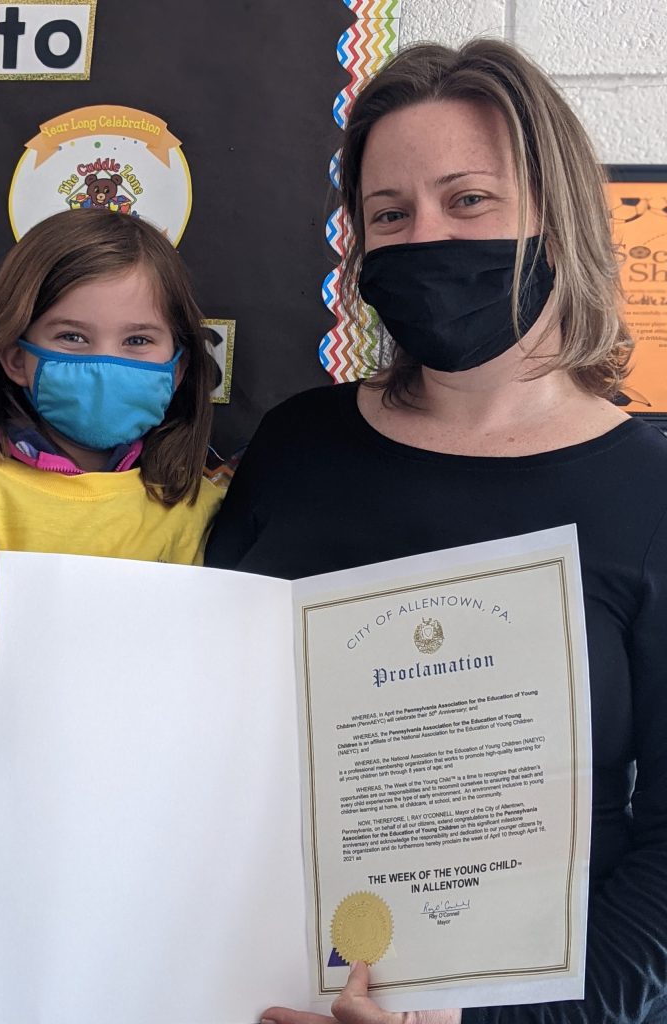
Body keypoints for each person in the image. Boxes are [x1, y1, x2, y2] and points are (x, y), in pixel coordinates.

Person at [206, 38, 667, 1024]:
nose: (424, 239)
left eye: (467, 200)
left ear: (558, 214)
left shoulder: (651, 494)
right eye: (389, 214)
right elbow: (206, 723)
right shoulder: (297, 443)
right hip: (247, 986)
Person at [0, 208, 221, 1024]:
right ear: (12, 353)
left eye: (138, 341)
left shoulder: (208, 506)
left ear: (182, 365)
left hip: (149, 923)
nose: (106, 362)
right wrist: (116, 720)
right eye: (71, 339)